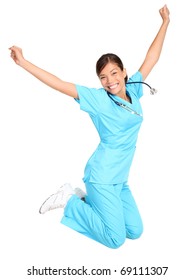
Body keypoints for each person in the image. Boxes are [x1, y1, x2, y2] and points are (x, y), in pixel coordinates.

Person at [9, 5, 170, 249]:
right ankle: (70, 200)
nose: (110, 81)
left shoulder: (135, 89)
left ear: (124, 72)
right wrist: (23, 62)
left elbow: (152, 58)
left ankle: (86, 201)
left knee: (134, 231)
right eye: (103, 77)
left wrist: (165, 23)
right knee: (116, 240)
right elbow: (60, 84)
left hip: (119, 179)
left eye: (114, 73)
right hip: (102, 177)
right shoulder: (98, 100)